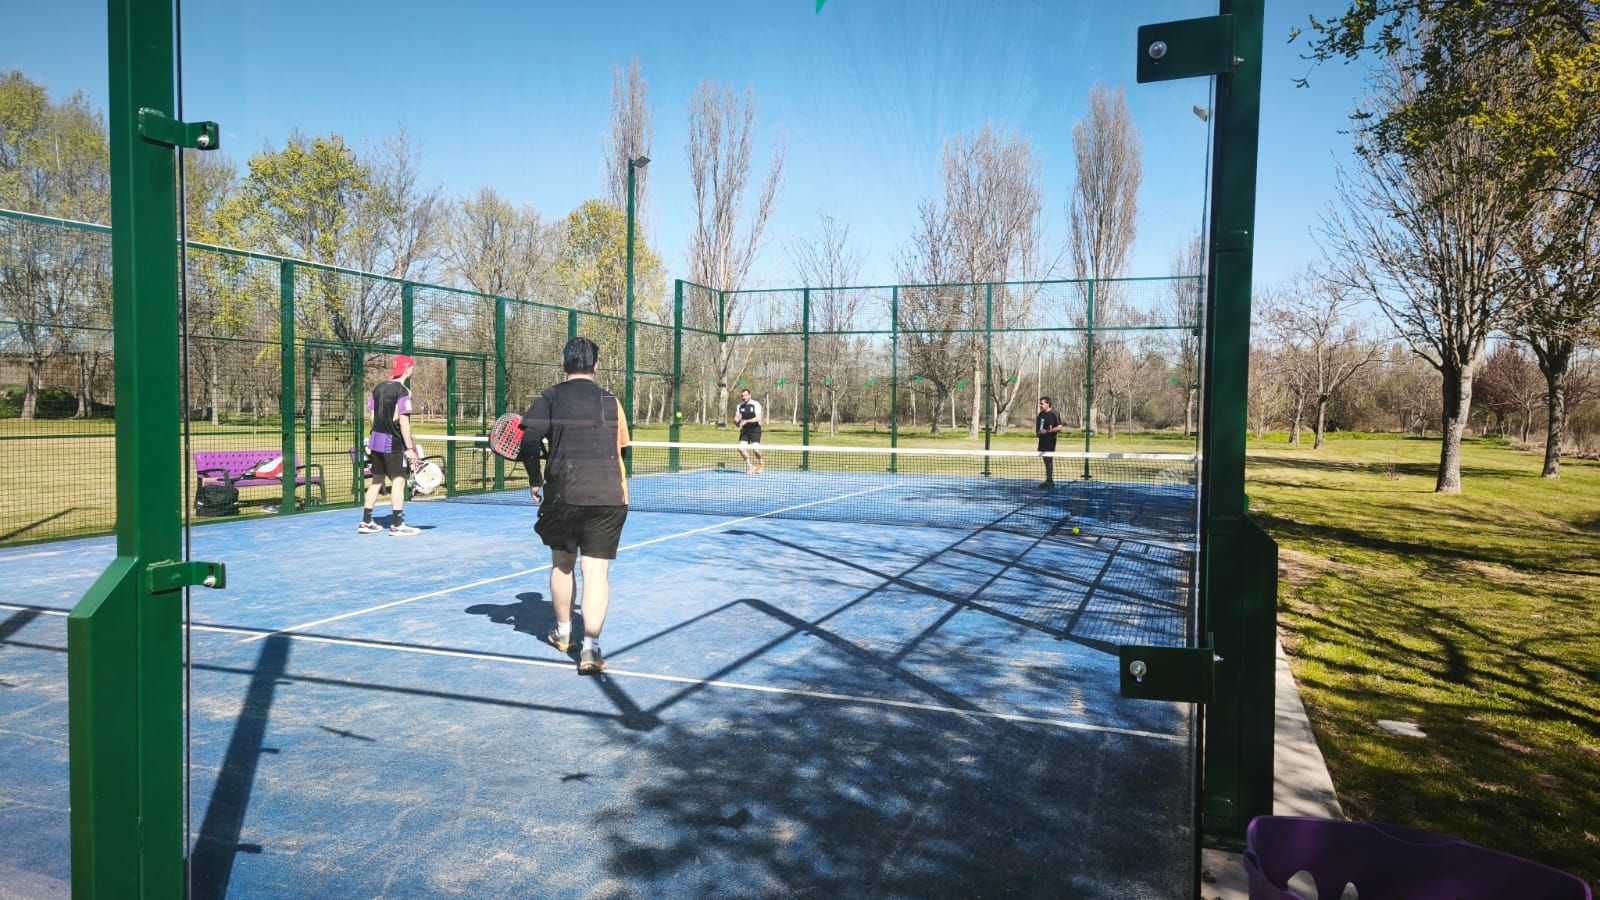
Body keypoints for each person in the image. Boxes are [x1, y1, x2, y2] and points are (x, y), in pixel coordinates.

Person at [517, 337, 630, 676]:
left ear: (564, 364)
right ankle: (590, 648)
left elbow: (529, 440)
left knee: (562, 565)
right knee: (596, 574)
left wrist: (535, 478)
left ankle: (564, 633)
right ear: (596, 365)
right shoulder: (611, 400)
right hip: (608, 495)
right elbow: (622, 449)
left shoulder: (549, 397)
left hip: (562, 495)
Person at [358, 355, 422, 534]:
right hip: (392, 443)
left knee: (377, 480)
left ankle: (366, 522)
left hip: (375, 441)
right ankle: (397, 525)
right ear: (407, 369)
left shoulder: (377, 388)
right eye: (412, 367)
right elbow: (404, 423)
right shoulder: (403, 392)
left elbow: (371, 418)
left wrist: (376, 436)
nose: (412, 369)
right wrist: (409, 449)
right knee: (398, 481)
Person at [733, 388, 764, 474]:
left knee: (756, 449)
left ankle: (761, 463)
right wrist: (736, 421)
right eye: (742, 396)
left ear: (750, 395)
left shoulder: (756, 404)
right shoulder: (739, 406)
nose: (744, 397)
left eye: (745, 395)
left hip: (755, 429)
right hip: (745, 430)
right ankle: (750, 465)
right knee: (741, 448)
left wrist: (746, 421)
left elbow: (758, 418)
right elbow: (737, 417)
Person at [1035, 396, 1063, 489]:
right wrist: (1038, 433)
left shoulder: (1054, 414)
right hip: (1042, 441)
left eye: (1042, 403)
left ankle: (1050, 481)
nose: (1040, 405)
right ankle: (1048, 480)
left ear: (1048, 404)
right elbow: (1038, 429)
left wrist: (1047, 431)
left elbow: (1059, 428)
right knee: (1046, 461)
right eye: (1040, 403)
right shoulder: (1040, 415)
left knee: (1049, 461)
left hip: (1050, 441)